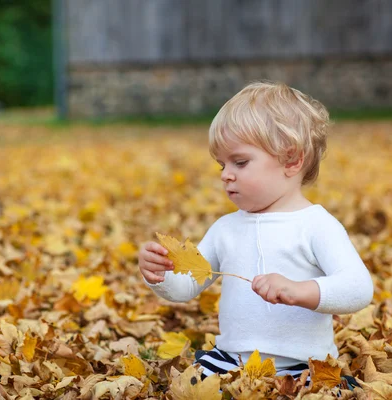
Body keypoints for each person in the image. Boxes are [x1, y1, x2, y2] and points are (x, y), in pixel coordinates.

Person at [138, 82, 374, 382]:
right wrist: (159, 274)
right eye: (221, 164)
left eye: (240, 162)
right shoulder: (225, 229)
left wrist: (301, 291)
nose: (226, 174)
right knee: (190, 385)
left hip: (304, 367)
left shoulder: (316, 225)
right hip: (230, 364)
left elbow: (358, 287)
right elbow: (185, 289)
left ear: (292, 160)